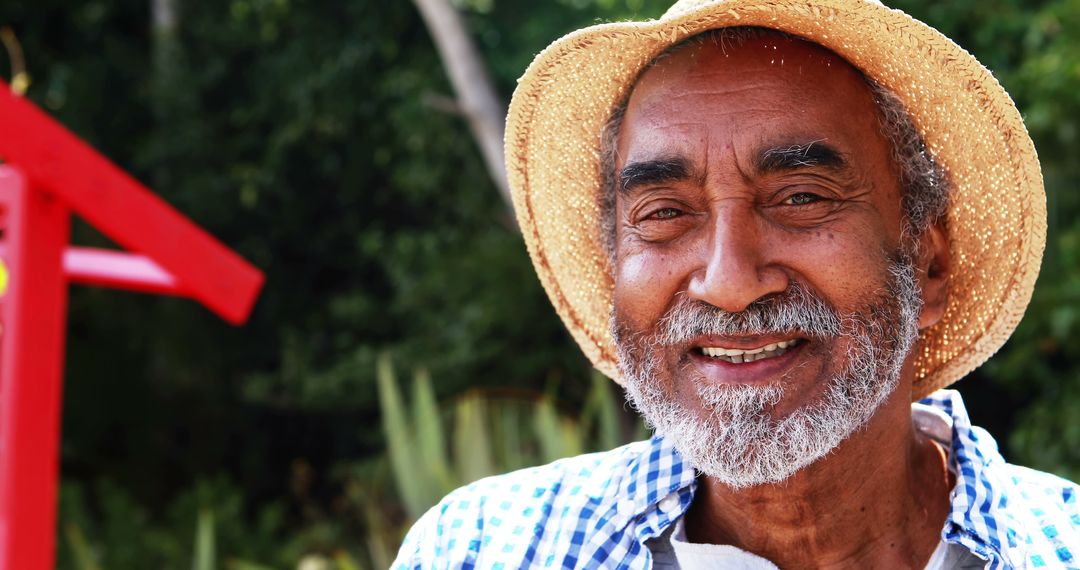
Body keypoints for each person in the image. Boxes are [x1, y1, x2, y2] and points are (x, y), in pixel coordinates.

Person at [393, 0, 1079, 567]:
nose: (728, 283)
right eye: (663, 214)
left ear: (929, 265)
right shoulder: (482, 549)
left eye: (802, 198)